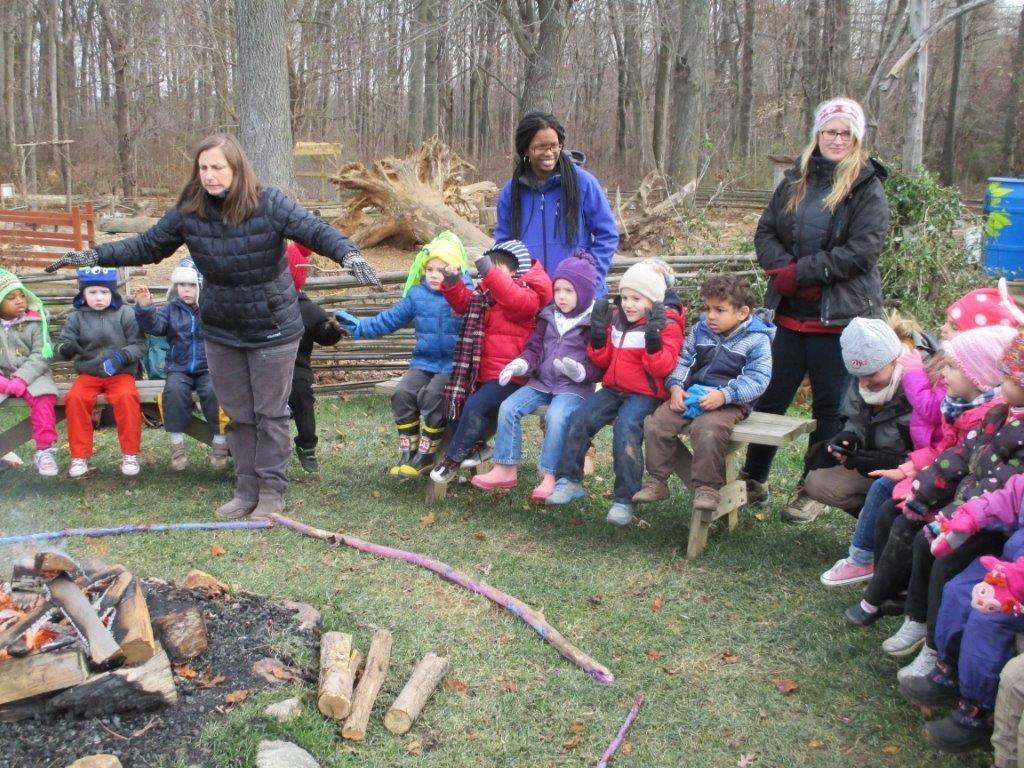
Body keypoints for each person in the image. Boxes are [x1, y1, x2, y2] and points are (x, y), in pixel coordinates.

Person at [45, 134, 379, 518]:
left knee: (269, 414)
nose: (209, 175)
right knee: (237, 414)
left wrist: (349, 254)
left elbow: (315, 231)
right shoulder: (191, 211)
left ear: (236, 169)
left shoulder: (269, 203)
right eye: (203, 168)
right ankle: (245, 488)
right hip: (221, 328)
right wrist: (94, 254)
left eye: (217, 167)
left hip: (272, 326)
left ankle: (271, 490)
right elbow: (147, 246)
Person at [740, 97, 890, 521]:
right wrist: (780, 269)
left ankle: (811, 485)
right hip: (788, 313)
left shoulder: (867, 187)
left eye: (846, 132)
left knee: (830, 408)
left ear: (856, 138)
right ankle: (754, 476)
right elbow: (766, 230)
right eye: (830, 131)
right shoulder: (794, 180)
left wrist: (800, 272)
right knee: (770, 397)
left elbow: (862, 251)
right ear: (817, 136)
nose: (837, 139)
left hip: (838, 318)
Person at [847, 330, 1024, 678]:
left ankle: (931, 643)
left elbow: (1001, 485)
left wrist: (948, 511)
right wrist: (922, 493)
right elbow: (959, 456)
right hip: (962, 507)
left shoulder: (1001, 419)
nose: (1002, 378)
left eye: (1010, 375)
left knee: (940, 560)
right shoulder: (999, 414)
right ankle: (905, 609)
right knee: (910, 526)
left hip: (992, 522)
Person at [545, 259, 685, 526]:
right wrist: (598, 338)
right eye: (624, 296)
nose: (629, 304)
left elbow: (663, 367)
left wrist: (653, 341)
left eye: (636, 298)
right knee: (580, 418)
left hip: (646, 393)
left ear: (654, 300)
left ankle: (625, 499)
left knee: (626, 429)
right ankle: (570, 479)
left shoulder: (667, 324)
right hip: (613, 388)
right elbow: (602, 361)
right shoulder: (618, 320)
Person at [633, 274, 774, 512]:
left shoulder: (757, 339)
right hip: (693, 394)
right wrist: (676, 387)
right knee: (657, 422)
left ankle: (707, 488)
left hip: (731, 402)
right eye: (708, 308)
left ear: (742, 312)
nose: (710, 315)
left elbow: (758, 379)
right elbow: (684, 360)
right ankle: (657, 480)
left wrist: (725, 395)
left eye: (719, 310)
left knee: (707, 429)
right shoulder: (700, 330)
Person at [335, 232, 470, 476]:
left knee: (432, 396)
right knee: (403, 393)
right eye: (429, 269)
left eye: (441, 270)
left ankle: (428, 454)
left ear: (455, 271)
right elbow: (390, 319)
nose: (434, 275)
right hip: (424, 361)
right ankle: (409, 452)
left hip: (454, 365)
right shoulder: (417, 295)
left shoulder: (465, 295)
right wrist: (360, 327)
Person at [470, 250, 602, 500]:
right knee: (508, 407)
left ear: (583, 293)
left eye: (569, 291)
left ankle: (550, 474)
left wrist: (582, 372)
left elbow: (599, 362)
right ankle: (505, 468)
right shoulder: (548, 315)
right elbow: (534, 348)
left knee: (556, 416)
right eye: (558, 289)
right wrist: (520, 364)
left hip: (573, 388)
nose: (561, 296)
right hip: (542, 381)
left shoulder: (593, 322)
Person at [429, 240, 553, 484]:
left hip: (513, 374)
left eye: (494, 270)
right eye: (487, 272)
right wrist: (452, 283)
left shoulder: (529, 295)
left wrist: (491, 275)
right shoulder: (487, 293)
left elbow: (513, 297)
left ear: (514, 271)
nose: (488, 277)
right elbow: (465, 303)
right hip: (482, 371)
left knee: (475, 405)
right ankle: (475, 448)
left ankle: (451, 460)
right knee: (457, 403)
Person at [493, 112, 619, 295]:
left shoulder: (582, 183)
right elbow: (504, 244)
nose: (549, 153)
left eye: (554, 146)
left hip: (579, 297)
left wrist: (591, 278)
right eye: (540, 147)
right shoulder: (511, 192)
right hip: (530, 299)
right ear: (526, 149)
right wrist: (513, 288)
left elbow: (608, 234)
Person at [133, 258, 228, 471]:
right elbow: (155, 327)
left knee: (215, 393)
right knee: (173, 392)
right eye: (182, 285)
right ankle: (178, 446)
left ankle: (220, 444)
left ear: (201, 287)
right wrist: (145, 307)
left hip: (207, 368)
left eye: (192, 285)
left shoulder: (210, 310)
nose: (186, 290)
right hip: (179, 368)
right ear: (176, 287)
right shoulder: (171, 310)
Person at [56, 267, 145, 478]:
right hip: (89, 373)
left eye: (104, 293)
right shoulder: (76, 318)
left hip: (120, 373)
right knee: (75, 398)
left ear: (113, 293)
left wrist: (122, 356)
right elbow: (63, 344)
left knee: (127, 397)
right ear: (83, 294)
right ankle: (79, 456)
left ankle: (130, 454)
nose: (99, 298)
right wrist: (66, 348)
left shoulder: (125, 313)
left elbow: (139, 344)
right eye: (92, 292)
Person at [283, 242, 343, 474]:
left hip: (296, 367)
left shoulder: (308, 310)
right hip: (264, 365)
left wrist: (333, 331)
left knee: (302, 396)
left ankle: (307, 444)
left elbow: (323, 336)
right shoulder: (261, 305)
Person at [0, 268, 58, 476]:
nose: (19, 301)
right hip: (2, 378)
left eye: (21, 295)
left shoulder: (35, 323)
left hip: (33, 375)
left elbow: (41, 354)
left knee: (44, 398)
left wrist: (22, 379)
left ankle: (44, 450)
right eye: (11, 297)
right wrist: (4, 383)